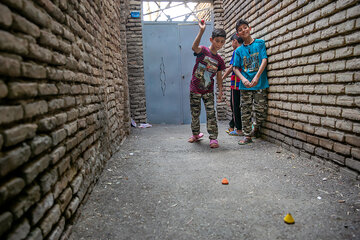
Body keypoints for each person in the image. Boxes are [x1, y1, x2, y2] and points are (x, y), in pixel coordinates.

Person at [187, 20, 226, 148]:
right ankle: (196, 134)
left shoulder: (220, 60)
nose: (219, 44)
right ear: (211, 40)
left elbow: (219, 77)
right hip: (195, 88)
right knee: (195, 113)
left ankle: (213, 138)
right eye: (217, 40)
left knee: (211, 114)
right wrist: (201, 31)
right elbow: (194, 47)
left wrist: (220, 91)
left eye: (222, 41)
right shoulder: (203, 51)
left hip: (208, 90)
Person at [232, 19, 269, 145]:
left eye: (245, 27)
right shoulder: (238, 51)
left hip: (260, 83)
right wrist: (243, 79)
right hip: (245, 85)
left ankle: (255, 128)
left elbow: (264, 60)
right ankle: (247, 136)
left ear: (250, 28)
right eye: (240, 29)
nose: (243, 30)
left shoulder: (260, 43)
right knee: (245, 111)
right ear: (238, 34)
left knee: (261, 110)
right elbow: (235, 68)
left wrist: (257, 77)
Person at [222, 34, 243, 136]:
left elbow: (231, 67)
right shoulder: (244, 49)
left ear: (235, 41)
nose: (231, 44)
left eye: (231, 42)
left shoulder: (236, 51)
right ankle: (232, 125)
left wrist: (222, 77)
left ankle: (238, 129)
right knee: (237, 105)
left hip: (236, 83)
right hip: (243, 83)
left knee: (234, 105)